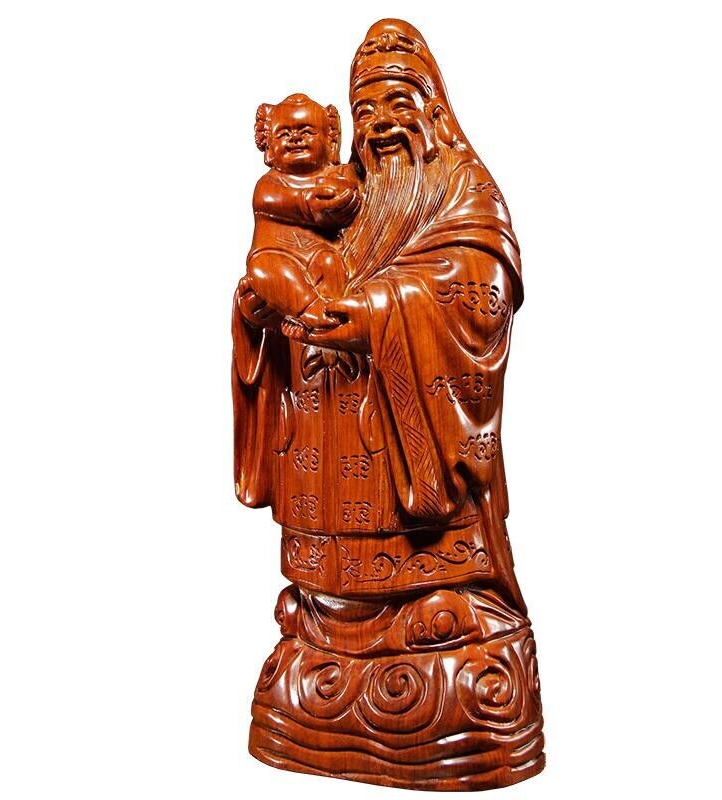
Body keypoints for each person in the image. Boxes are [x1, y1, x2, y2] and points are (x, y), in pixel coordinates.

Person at [234, 19, 544, 790]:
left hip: (410, 449)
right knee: (322, 602)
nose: (377, 125)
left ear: (432, 105)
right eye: (364, 110)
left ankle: (442, 631)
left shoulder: (464, 190)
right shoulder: (340, 195)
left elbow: (483, 292)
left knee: (442, 607)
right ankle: (325, 631)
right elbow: (288, 263)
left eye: (394, 104)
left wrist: (380, 312)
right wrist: (255, 315)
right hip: (330, 436)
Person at [244, 93, 360, 331]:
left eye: (306, 132)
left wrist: (347, 197)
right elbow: (290, 203)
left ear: (329, 140)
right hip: (277, 256)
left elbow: (353, 190)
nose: (295, 139)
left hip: (320, 254)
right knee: (264, 270)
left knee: (330, 263)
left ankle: (332, 314)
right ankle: (307, 309)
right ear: (269, 146)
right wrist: (312, 203)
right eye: (284, 134)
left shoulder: (338, 175)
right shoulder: (268, 185)